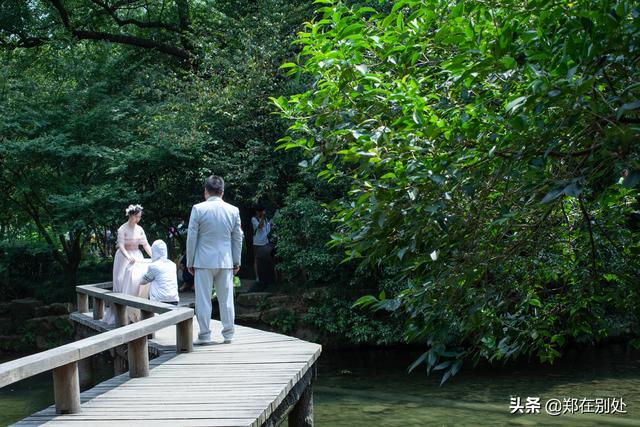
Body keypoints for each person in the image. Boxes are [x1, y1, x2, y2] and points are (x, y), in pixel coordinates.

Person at [187, 175, 243, 345]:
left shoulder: (198, 209)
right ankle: (228, 334)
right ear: (222, 192)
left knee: (203, 299)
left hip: (203, 260)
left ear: (206, 191)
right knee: (226, 300)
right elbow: (237, 238)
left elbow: (191, 237)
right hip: (225, 261)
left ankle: (204, 335)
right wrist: (236, 261)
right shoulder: (233, 210)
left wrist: (190, 261)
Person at [102, 204, 153, 325]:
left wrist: (154, 256)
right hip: (124, 257)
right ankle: (122, 314)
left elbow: (145, 244)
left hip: (136, 255)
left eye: (139, 217)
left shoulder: (140, 229)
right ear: (131, 215)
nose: (138, 219)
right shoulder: (122, 229)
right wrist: (128, 256)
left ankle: (135, 313)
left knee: (137, 282)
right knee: (121, 282)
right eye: (137, 217)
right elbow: (121, 245)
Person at [138, 240, 179, 305]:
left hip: (159, 301)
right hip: (174, 299)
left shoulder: (154, 266)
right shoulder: (172, 265)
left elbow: (142, 281)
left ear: (154, 251)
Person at [251, 205, 271, 282]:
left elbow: (267, 230)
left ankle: (265, 276)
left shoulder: (266, 219)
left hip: (265, 242)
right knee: (256, 259)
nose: (262, 213)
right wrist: (262, 217)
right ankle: (257, 277)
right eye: (260, 212)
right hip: (257, 242)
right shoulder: (254, 219)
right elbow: (260, 226)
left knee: (266, 259)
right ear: (257, 212)